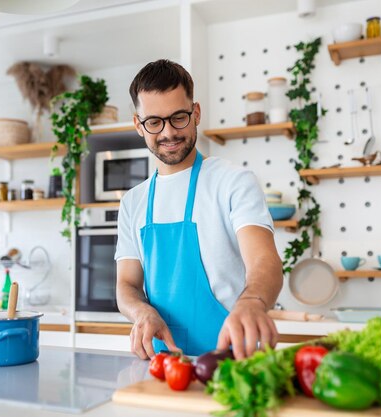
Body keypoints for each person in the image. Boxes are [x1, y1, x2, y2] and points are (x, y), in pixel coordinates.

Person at [115, 59, 283, 360]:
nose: (168, 133)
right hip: (161, 364)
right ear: (138, 125)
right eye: (154, 122)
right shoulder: (132, 202)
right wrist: (141, 313)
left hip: (230, 360)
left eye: (178, 117)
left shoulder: (233, 181)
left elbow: (264, 260)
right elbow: (126, 284)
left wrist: (253, 302)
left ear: (196, 113)